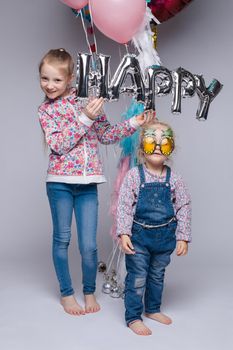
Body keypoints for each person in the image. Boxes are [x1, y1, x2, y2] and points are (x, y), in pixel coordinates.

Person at [38, 48, 154, 316]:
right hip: (59, 183)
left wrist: (134, 122)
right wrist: (84, 118)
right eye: (44, 78)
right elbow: (58, 144)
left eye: (56, 80)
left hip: (88, 184)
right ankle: (67, 294)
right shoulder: (46, 110)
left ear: (70, 79)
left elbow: (106, 135)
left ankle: (89, 290)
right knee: (62, 239)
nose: (49, 85)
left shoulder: (87, 101)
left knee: (89, 246)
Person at [116, 120, 191, 335]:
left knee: (157, 275)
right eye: (151, 140)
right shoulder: (133, 176)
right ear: (141, 147)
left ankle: (153, 309)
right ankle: (133, 316)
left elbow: (183, 206)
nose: (157, 146)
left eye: (164, 142)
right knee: (138, 276)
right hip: (139, 237)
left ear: (171, 148)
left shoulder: (175, 179)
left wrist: (183, 237)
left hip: (164, 237)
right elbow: (123, 205)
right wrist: (124, 233)